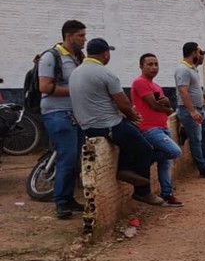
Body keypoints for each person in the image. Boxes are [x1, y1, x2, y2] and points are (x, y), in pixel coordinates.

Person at [68, 38, 163, 206]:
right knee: (145, 148)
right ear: (105, 54)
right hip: (107, 124)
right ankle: (142, 191)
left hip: (86, 125)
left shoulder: (76, 72)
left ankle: (126, 169)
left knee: (129, 137)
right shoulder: (105, 73)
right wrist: (132, 115)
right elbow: (124, 103)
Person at [38, 20, 87, 219]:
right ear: (68, 36)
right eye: (80, 36)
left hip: (75, 114)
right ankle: (60, 202)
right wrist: (76, 91)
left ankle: (68, 198)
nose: (84, 40)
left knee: (75, 157)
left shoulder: (78, 58)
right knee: (67, 156)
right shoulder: (51, 57)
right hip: (57, 113)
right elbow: (45, 87)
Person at [131, 53, 183, 207]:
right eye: (150, 64)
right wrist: (165, 105)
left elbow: (169, 111)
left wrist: (166, 103)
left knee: (166, 162)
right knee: (174, 152)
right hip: (149, 128)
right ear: (141, 66)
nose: (154, 67)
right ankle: (146, 159)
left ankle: (167, 194)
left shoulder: (156, 86)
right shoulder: (139, 82)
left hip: (161, 127)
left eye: (156, 64)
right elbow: (153, 105)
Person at [175, 42, 205, 178]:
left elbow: (190, 91)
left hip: (198, 109)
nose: (201, 55)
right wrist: (192, 111)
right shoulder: (183, 69)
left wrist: (203, 96)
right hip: (189, 110)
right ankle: (203, 168)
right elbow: (183, 92)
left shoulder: (191, 69)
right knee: (196, 140)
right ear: (193, 53)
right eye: (200, 52)